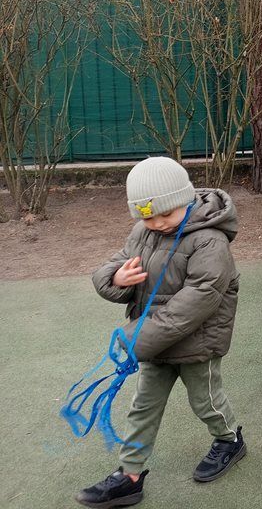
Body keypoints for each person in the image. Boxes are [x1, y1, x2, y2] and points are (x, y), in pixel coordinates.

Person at [76, 157, 244, 508]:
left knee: (206, 401)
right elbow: (119, 260)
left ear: (183, 199)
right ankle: (130, 476)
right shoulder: (144, 231)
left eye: (165, 214)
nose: (157, 223)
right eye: (147, 217)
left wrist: (139, 338)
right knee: (143, 406)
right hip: (154, 342)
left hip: (197, 342)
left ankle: (230, 440)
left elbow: (199, 298)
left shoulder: (209, 241)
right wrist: (117, 277)